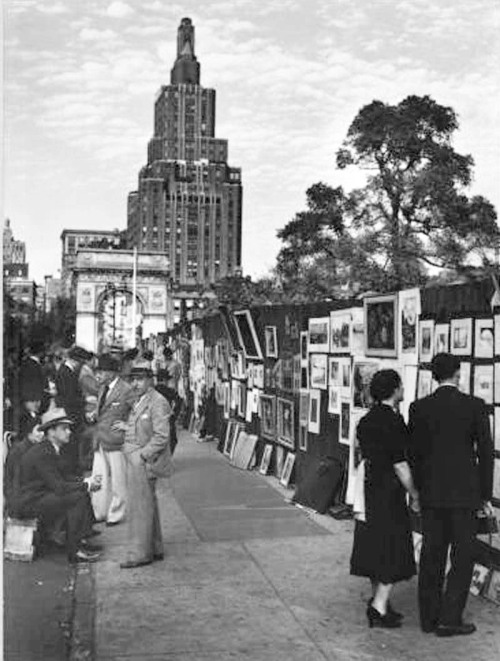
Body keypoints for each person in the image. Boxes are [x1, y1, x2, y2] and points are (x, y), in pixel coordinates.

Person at [408, 353, 494, 637]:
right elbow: (485, 454)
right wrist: (484, 496)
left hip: (432, 494)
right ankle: (450, 618)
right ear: (458, 373)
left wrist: (418, 491)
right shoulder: (475, 406)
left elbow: (415, 454)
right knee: (462, 557)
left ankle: (428, 618)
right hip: (465, 495)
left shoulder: (419, 408)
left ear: (433, 375)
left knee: (432, 555)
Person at [350, 369, 420, 629]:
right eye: (400, 385)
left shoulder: (366, 420)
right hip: (388, 490)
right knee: (392, 545)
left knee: (372, 542)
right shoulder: (394, 422)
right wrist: (415, 493)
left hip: (368, 487)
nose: (403, 389)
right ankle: (379, 607)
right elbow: (400, 464)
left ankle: (378, 600)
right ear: (394, 390)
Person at [16, 408, 103, 563]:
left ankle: (81, 540)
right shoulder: (43, 453)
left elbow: (63, 477)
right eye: (64, 429)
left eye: (68, 428)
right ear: (51, 432)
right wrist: (87, 485)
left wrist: (85, 482)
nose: (69, 432)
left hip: (40, 495)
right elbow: (59, 486)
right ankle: (74, 551)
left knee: (79, 493)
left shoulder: (49, 448)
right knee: (76, 498)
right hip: (29, 502)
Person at [113, 360, 173, 568]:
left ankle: (139, 554)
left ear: (150, 380)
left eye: (140, 379)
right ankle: (155, 547)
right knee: (148, 506)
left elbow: (161, 436)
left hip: (143, 461)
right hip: (136, 458)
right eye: (133, 380)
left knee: (140, 509)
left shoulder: (157, 402)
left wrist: (141, 456)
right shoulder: (142, 399)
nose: (135, 384)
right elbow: (141, 425)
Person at [91, 354, 135, 525]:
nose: (98, 375)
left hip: (117, 441)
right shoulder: (103, 388)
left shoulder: (126, 389)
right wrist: (95, 414)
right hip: (100, 439)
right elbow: (103, 410)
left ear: (111, 373)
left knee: (118, 481)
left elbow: (137, 411)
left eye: (101, 371)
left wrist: (128, 425)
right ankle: (99, 512)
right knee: (99, 478)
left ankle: (116, 514)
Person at [55, 346, 92, 474]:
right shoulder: (65, 372)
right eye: (81, 363)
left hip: (71, 413)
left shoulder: (67, 371)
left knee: (72, 443)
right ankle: (70, 470)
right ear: (76, 361)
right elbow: (69, 398)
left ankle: (72, 468)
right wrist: (86, 400)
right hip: (70, 414)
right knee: (70, 444)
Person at [155, 368, 182, 455]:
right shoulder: (170, 391)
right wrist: (174, 415)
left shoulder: (152, 390)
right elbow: (179, 402)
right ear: (165, 380)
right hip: (167, 418)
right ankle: (168, 457)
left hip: (154, 418)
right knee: (172, 439)